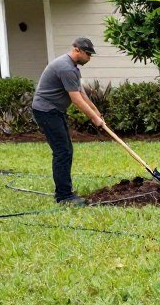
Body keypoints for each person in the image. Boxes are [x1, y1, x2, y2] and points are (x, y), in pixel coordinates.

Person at [31, 37, 106, 206]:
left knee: (65, 150)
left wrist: (96, 111)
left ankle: (64, 192)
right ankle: (64, 196)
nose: (89, 58)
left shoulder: (72, 67)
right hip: (46, 111)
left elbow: (81, 92)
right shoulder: (66, 67)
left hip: (54, 111)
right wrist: (94, 119)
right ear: (77, 50)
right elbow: (76, 100)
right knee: (62, 152)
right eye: (88, 54)